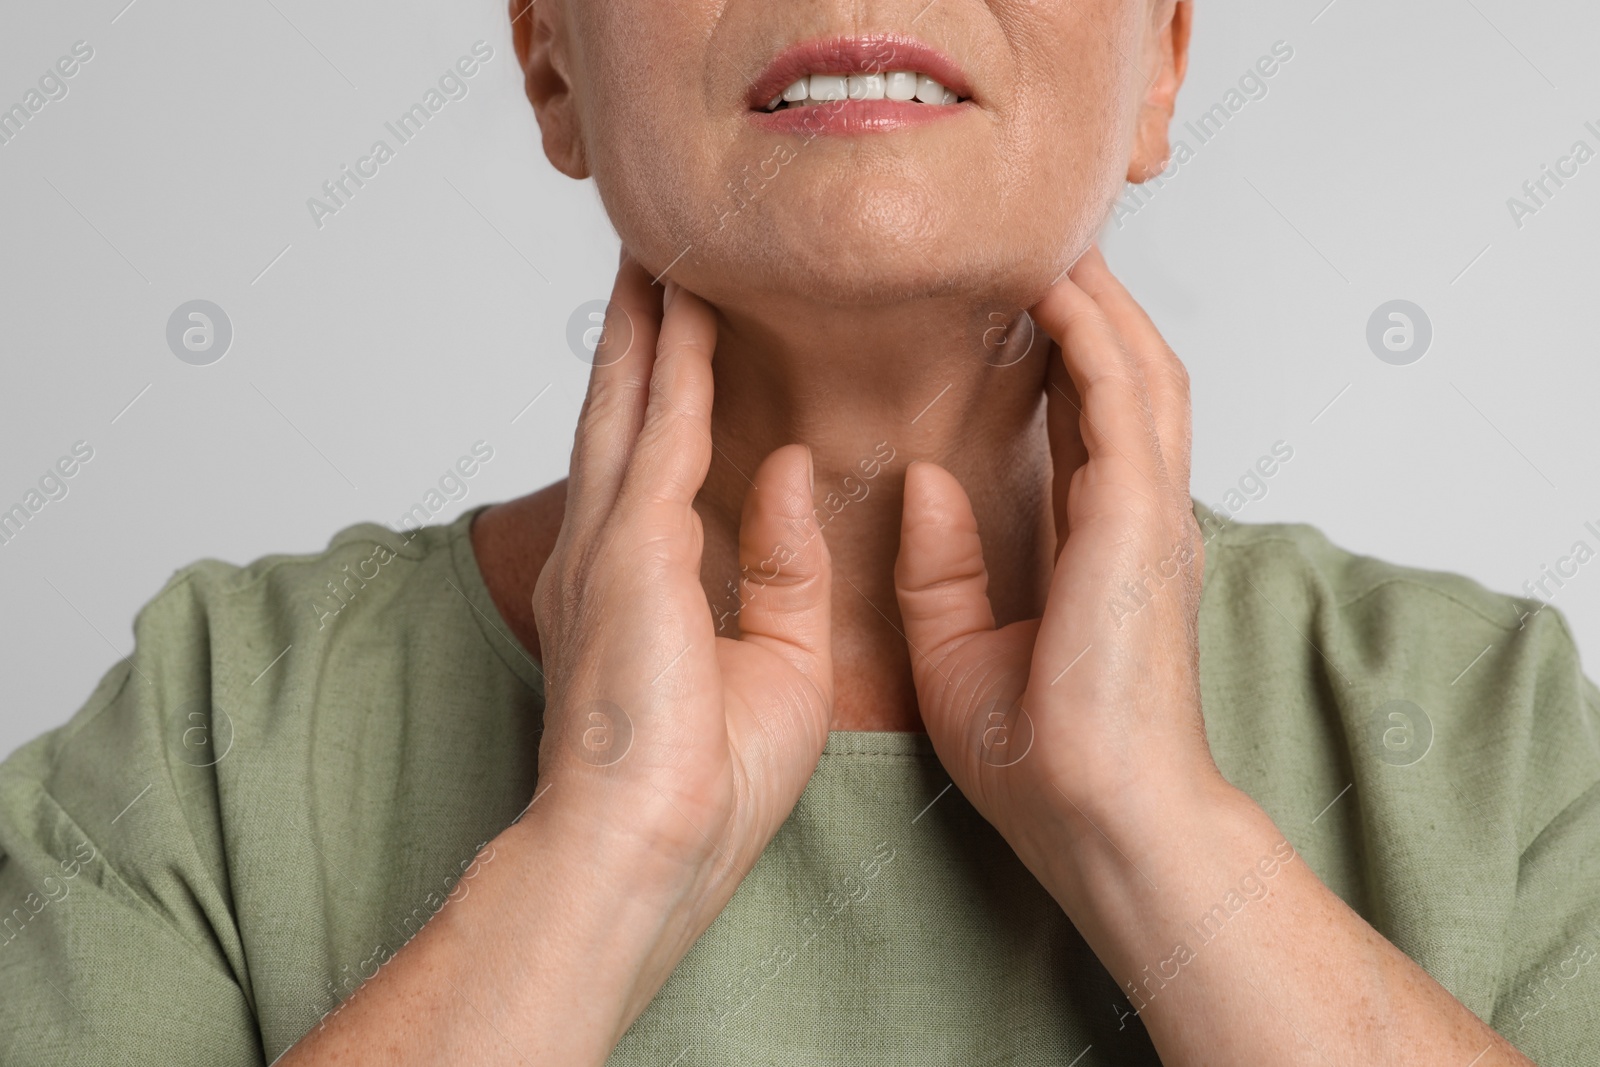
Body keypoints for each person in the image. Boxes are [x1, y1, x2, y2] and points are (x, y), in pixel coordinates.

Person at [2, 1, 1597, 1063]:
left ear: (1162, 62)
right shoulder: (208, 734)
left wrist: (1156, 838)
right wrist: (595, 867)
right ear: (549, 57)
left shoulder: (1503, 741)